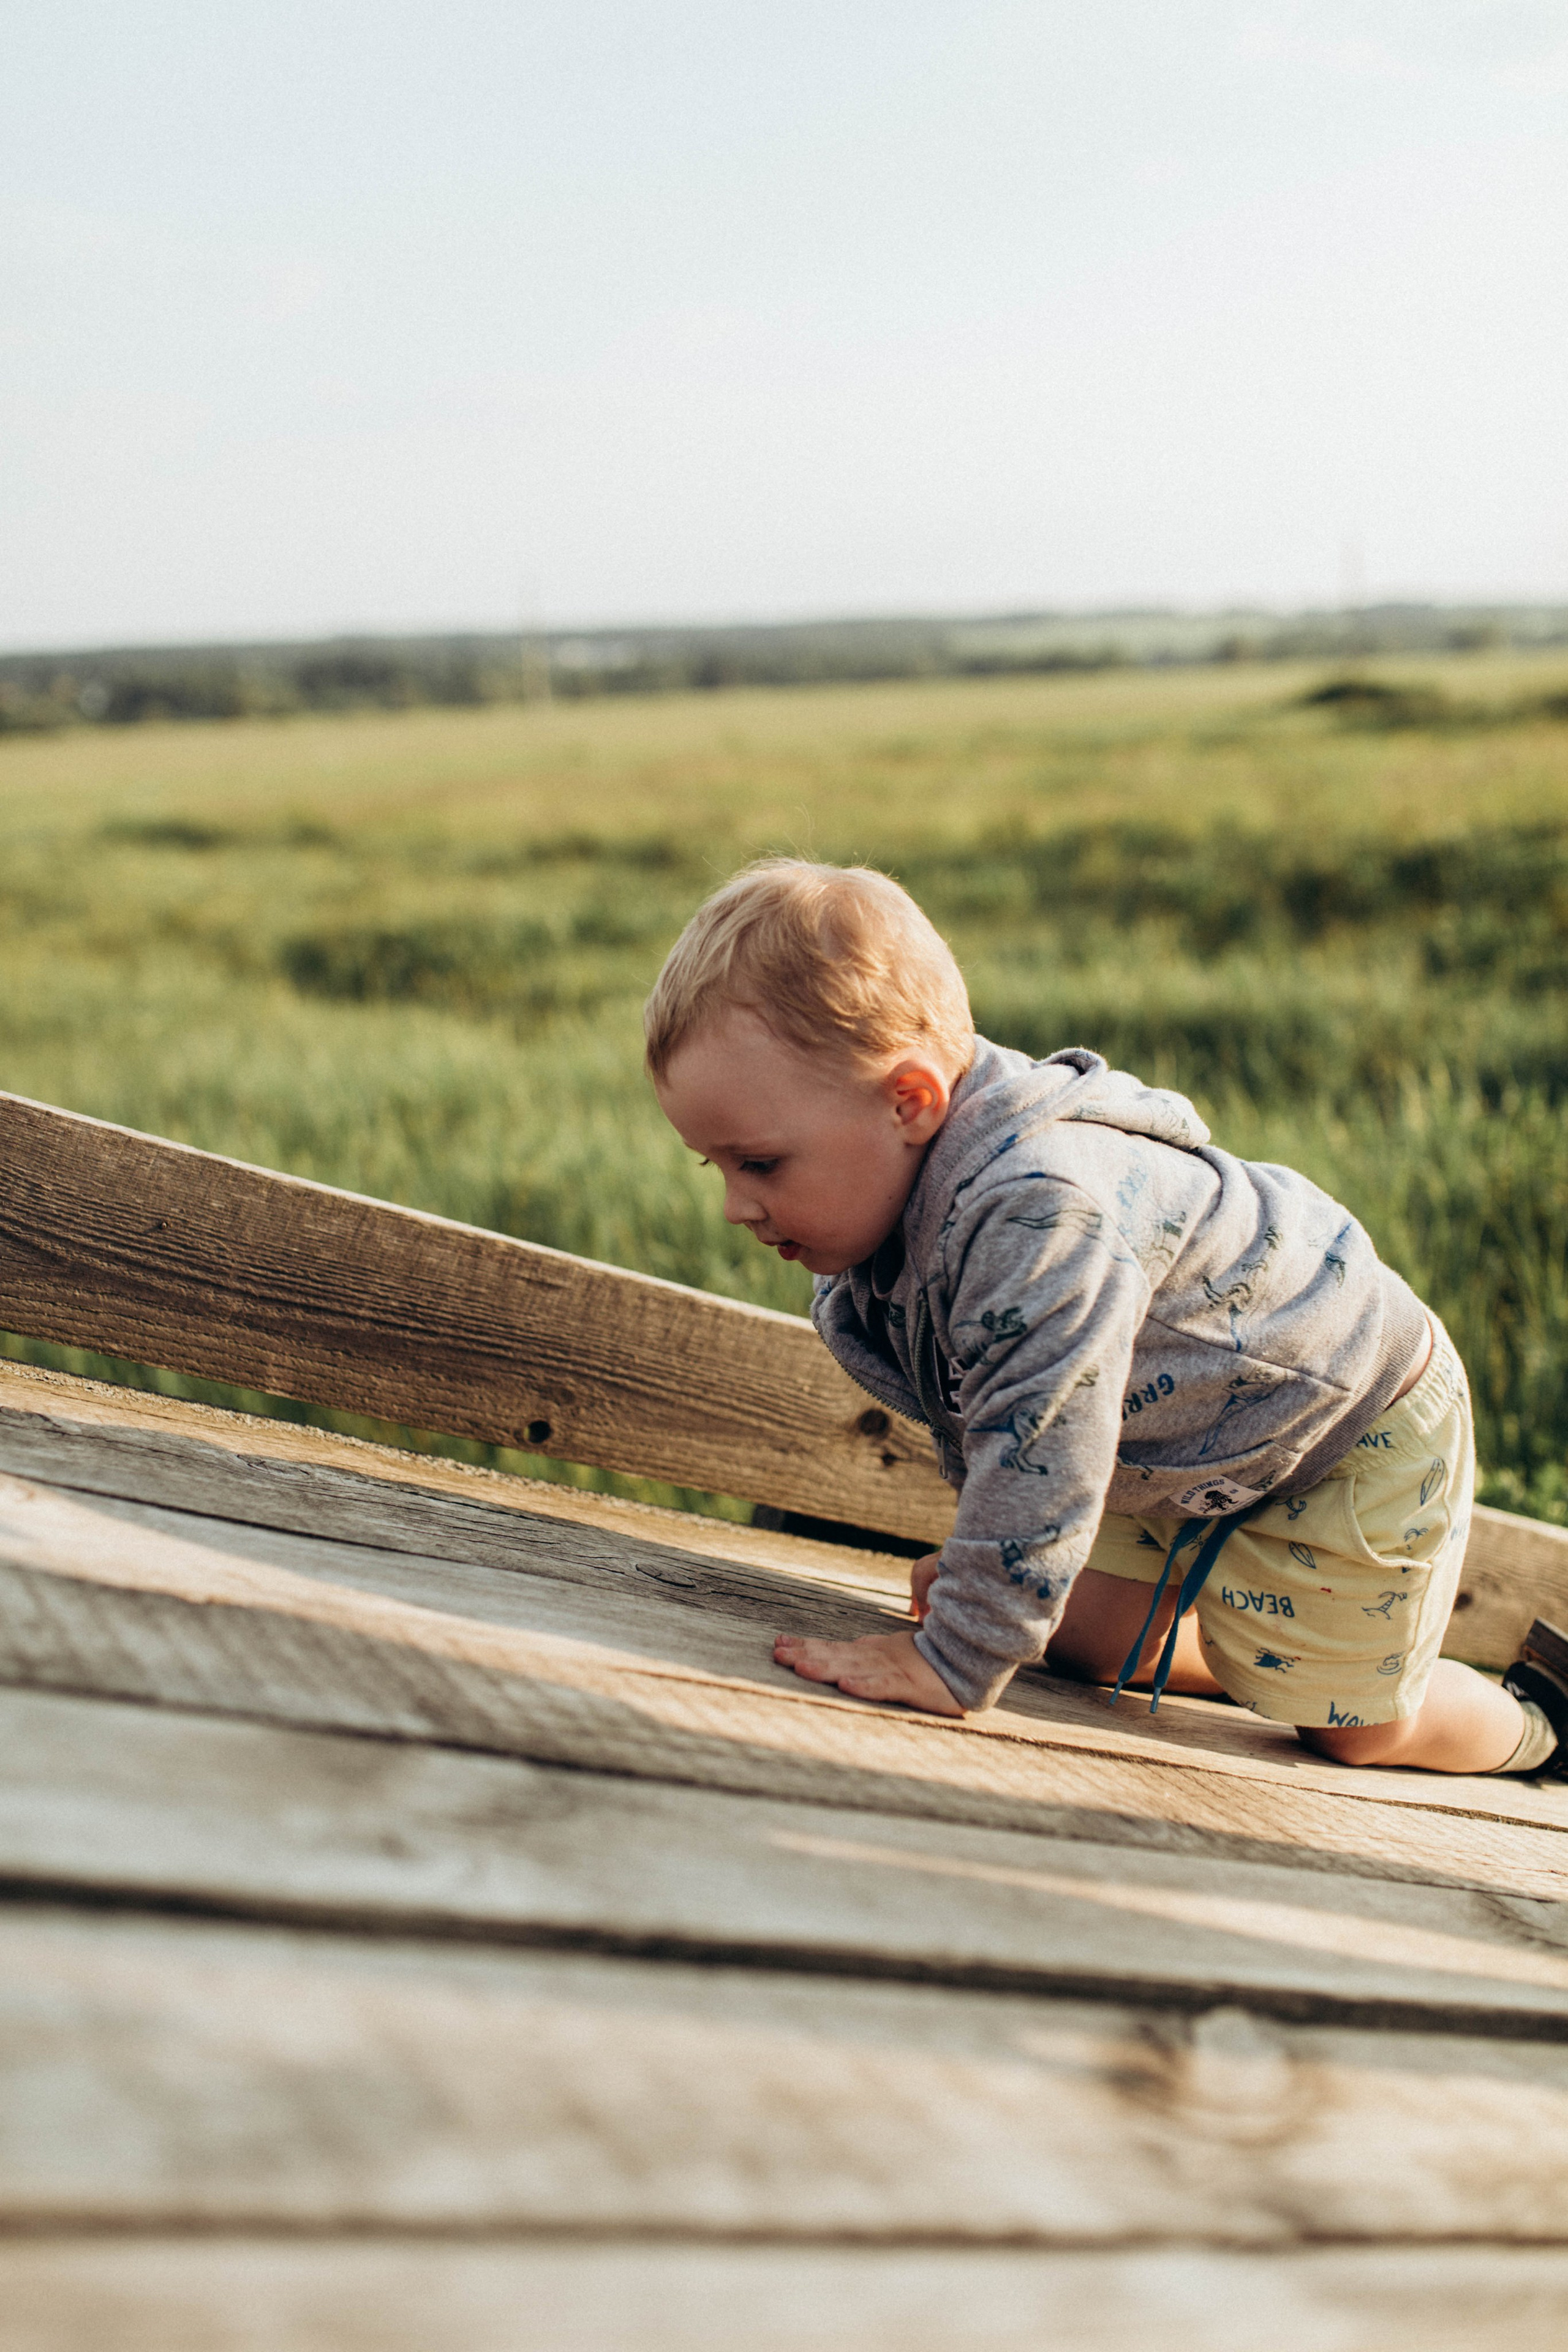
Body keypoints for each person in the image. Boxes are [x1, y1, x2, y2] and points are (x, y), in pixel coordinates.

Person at [645, 856, 1567, 1777]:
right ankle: (1261, 1651)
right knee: (1088, 1649)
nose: (735, 1206)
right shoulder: (891, 1217)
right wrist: (997, 1575)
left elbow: (1041, 1430)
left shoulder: (1036, 1212)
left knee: (1356, 1732)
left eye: (760, 1165)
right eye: (714, 1167)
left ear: (910, 1101)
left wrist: (959, 1648)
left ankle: (1541, 1723)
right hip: (1176, 1437)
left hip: (1349, 1424)